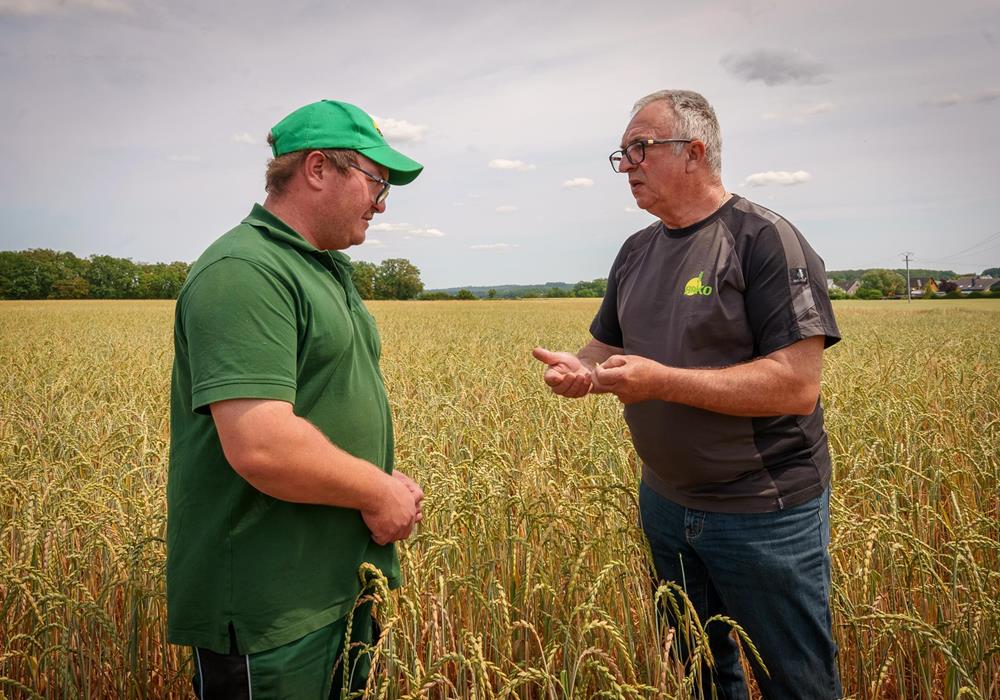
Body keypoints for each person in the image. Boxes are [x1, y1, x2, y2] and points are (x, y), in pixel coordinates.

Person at [532, 90, 842, 699]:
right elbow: (604, 346)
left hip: (763, 513)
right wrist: (582, 372)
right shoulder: (637, 251)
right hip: (666, 507)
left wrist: (660, 381)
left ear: (695, 152)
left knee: (796, 681)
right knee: (700, 672)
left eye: (640, 149)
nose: (628, 167)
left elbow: (797, 385)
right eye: (622, 155)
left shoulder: (764, 239)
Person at [167, 99, 425, 698]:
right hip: (272, 610)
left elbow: (320, 401)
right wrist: (378, 489)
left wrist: (372, 475)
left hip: (333, 589)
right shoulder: (244, 271)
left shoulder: (320, 266)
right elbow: (262, 445)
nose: (383, 202)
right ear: (316, 169)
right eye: (377, 180)